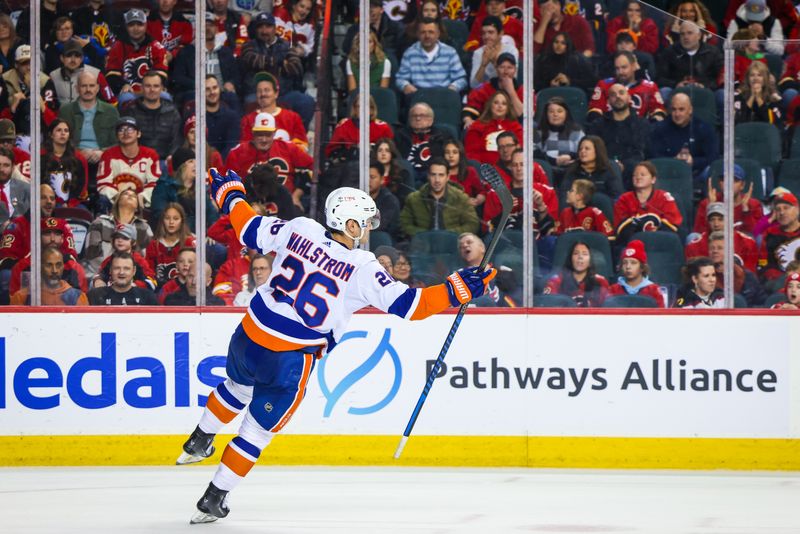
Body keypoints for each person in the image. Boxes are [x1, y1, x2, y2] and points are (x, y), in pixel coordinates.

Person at [177, 170, 496, 524]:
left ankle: (199, 439)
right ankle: (214, 496)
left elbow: (248, 228)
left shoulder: (300, 228)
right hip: (288, 358)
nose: (368, 228)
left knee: (236, 387)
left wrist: (230, 195)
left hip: (248, 336)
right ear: (350, 224)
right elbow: (411, 306)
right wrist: (455, 289)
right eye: (364, 222)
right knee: (255, 430)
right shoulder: (362, 266)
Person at [225, 112, 313, 212]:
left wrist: (296, 196)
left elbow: (313, 169)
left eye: (268, 135)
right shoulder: (237, 153)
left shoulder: (289, 148)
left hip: (285, 204)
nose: (264, 139)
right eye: (259, 135)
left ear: (274, 133)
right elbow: (228, 185)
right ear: (253, 133)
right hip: (250, 205)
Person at [586, 83, 650, 188]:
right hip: (605, 174)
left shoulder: (642, 124)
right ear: (608, 101)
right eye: (613, 95)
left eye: (621, 93)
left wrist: (625, 166)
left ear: (629, 97)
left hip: (634, 175)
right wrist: (613, 166)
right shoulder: (598, 125)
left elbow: (644, 153)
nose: (618, 97)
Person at [399, 157, 480, 238]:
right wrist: (424, 235)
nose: (437, 180)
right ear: (428, 176)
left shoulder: (460, 198)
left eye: (441, 175)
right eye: (433, 175)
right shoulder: (414, 199)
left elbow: (473, 224)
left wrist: (449, 235)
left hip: (452, 245)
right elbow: (404, 224)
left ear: (448, 177)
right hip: (423, 245)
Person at [171, 14, 240, 109]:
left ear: (216, 29)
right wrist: (198, 85)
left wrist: (231, 82)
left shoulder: (225, 51)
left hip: (221, 92)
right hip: (196, 93)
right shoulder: (187, 52)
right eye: (203, 26)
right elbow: (178, 77)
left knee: (232, 97)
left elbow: (236, 74)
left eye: (210, 25)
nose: (207, 29)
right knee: (190, 97)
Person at [483, 148, 558, 235]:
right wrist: (504, 213)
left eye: (523, 164)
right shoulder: (495, 194)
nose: (519, 168)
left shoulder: (547, 192)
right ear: (510, 167)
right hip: (506, 243)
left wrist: (541, 207)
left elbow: (553, 232)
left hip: (537, 243)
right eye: (515, 165)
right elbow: (487, 230)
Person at [82, 188, 153, 279]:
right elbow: (91, 255)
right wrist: (111, 272)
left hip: (134, 276)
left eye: (134, 196)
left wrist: (128, 274)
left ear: (137, 208)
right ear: (117, 201)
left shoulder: (144, 227)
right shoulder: (99, 223)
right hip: (98, 273)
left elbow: (147, 257)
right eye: (125, 194)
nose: (130, 195)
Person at [648, 92, 718, 180]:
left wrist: (693, 161)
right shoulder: (660, 129)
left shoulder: (703, 128)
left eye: (681, 109)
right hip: (667, 173)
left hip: (697, 173)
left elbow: (713, 157)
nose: (677, 114)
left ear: (690, 110)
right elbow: (654, 156)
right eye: (674, 109)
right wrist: (674, 161)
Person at [96, 116, 162, 209]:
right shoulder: (108, 155)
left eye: (130, 129)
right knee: (103, 199)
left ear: (138, 134)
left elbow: (155, 184)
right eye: (121, 130)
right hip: (115, 201)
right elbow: (103, 184)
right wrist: (120, 198)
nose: (126, 133)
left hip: (141, 202)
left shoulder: (150, 155)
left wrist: (141, 198)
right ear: (117, 136)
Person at [106, 9, 169, 106]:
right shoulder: (118, 46)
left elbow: (162, 73)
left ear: (145, 25)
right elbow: (111, 74)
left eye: (139, 24)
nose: (136, 28)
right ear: (126, 27)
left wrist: (151, 88)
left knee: (166, 97)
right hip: (129, 92)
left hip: (152, 89)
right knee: (126, 99)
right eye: (131, 25)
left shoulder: (156, 46)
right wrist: (122, 85)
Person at [58, 70, 120, 168]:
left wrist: (102, 152)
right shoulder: (65, 111)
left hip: (105, 159)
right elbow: (59, 140)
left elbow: (118, 141)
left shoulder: (110, 110)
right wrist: (78, 152)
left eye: (91, 86)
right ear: (77, 88)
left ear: (98, 88)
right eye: (84, 86)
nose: (88, 90)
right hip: (74, 159)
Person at [150, 147, 219, 232]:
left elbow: (212, 215)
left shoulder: (200, 189)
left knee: (217, 245)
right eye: (191, 161)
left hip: (200, 238)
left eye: (196, 161)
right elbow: (160, 215)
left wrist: (213, 234)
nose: (196, 164)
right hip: (175, 236)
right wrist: (185, 234)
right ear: (181, 166)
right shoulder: (164, 187)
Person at [614, 161, 683, 245]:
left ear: (653, 179)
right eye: (635, 175)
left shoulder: (664, 197)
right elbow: (620, 227)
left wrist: (658, 229)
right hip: (632, 242)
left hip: (660, 241)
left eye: (642, 175)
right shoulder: (624, 199)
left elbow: (674, 223)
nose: (638, 177)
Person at [395, 17, 467, 96]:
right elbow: (400, 79)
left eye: (431, 32)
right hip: (419, 97)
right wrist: (406, 86)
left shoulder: (450, 52)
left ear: (438, 34)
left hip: (443, 97)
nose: (427, 36)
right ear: (418, 34)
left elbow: (461, 79)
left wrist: (452, 88)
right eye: (423, 32)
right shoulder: (409, 53)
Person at [588, 51, 667, 122]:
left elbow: (658, 111)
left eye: (624, 67)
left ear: (633, 66)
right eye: (617, 68)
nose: (620, 72)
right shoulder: (604, 85)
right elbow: (595, 110)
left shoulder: (649, 87)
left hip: (640, 130)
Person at [121, 71, 182, 160]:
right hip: (137, 161)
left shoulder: (172, 111)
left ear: (162, 88)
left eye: (156, 86)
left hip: (165, 161)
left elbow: (177, 140)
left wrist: (171, 157)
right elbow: (125, 139)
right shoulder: (131, 110)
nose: (152, 89)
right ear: (141, 88)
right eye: (148, 86)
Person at [239, 72, 308, 150]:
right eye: (259, 91)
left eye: (267, 90)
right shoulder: (247, 120)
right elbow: (244, 149)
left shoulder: (293, 118)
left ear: (276, 93)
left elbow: (301, 146)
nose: (263, 94)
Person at [686, 202, 759, 273]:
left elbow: (750, 273)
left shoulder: (748, 243)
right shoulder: (694, 246)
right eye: (712, 220)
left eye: (720, 219)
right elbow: (692, 274)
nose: (716, 224)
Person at [693, 164, 763, 236]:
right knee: (693, 236)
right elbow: (699, 233)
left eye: (734, 181)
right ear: (719, 183)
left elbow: (756, 235)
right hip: (713, 245)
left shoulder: (753, 204)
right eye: (725, 180)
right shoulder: (707, 203)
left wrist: (746, 211)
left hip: (742, 245)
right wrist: (711, 207)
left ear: (742, 185)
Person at [656, 21, 723, 93]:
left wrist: (705, 85)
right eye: (682, 34)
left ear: (699, 35)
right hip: (678, 92)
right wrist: (676, 84)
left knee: (722, 94)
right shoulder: (670, 52)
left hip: (706, 92)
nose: (686, 37)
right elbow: (660, 78)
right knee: (664, 91)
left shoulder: (712, 52)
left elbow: (720, 77)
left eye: (689, 33)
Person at [9, 245, 88, 306]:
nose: (54, 271)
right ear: (40, 267)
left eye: (58, 265)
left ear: (63, 266)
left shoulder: (78, 297)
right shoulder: (22, 297)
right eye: (49, 265)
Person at [394, 103, 449, 184]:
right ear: (409, 119)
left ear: (431, 120)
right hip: (408, 173)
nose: (418, 118)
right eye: (414, 116)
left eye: (422, 115)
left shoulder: (441, 136)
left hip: (431, 172)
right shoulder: (400, 135)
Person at [533, 97, 585, 184]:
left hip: (572, 172)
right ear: (546, 114)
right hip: (547, 173)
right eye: (551, 111)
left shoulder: (577, 131)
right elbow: (534, 154)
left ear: (566, 113)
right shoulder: (537, 133)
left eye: (559, 111)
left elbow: (585, 150)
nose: (555, 114)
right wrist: (554, 161)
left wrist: (571, 156)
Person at [707, 231, 766, 307]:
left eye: (720, 248)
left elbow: (762, 304)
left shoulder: (747, 276)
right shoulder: (702, 277)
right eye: (712, 248)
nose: (715, 251)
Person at [464, 90, 523, 165]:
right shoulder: (477, 126)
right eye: (496, 103)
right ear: (490, 105)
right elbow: (471, 154)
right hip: (485, 170)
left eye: (504, 104)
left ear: (508, 108)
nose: (500, 106)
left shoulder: (515, 126)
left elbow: (521, 149)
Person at [91, 223, 156, 291]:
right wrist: (98, 280)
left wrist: (134, 285)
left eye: (125, 238)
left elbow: (152, 282)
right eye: (117, 237)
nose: (120, 240)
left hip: (134, 296)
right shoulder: (109, 260)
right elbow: (100, 274)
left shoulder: (139, 261)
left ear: (133, 242)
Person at [47, 39, 114, 105]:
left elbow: (112, 101)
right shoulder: (53, 76)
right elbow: (48, 105)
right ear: (62, 58)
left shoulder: (96, 74)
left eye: (77, 55)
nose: (73, 60)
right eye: (69, 55)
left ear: (82, 58)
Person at [325, 95, 394, 160]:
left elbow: (391, 152)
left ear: (372, 110)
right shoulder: (344, 125)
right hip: (348, 165)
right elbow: (332, 151)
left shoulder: (383, 127)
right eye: (359, 106)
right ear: (354, 109)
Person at [543, 240, 609, 307]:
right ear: (570, 259)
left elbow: (608, 309)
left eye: (585, 254)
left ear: (590, 261)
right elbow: (547, 305)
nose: (580, 257)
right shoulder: (556, 281)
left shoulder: (600, 282)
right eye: (576, 253)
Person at [146, 202, 196, 288]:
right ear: (162, 221)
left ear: (182, 221)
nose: (171, 222)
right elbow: (148, 271)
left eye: (176, 219)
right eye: (167, 218)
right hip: (160, 289)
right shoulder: (154, 245)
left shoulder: (190, 242)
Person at [560, 135, 624, 202]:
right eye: (580, 149)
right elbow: (564, 195)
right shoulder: (573, 169)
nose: (582, 151)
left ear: (597, 151)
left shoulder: (611, 167)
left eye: (587, 148)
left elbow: (617, 196)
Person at [41, 119, 89, 208]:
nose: (63, 133)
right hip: (46, 201)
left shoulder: (79, 159)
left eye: (66, 131)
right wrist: (57, 201)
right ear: (51, 134)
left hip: (73, 203)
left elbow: (82, 186)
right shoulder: (40, 157)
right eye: (59, 130)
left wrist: (70, 203)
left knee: (84, 212)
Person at [758, 190, 800, 284]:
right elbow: (763, 263)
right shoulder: (769, 234)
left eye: (786, 208)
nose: (782, 212)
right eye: (778, 209)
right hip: (778, 283)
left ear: (797, 209)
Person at [607, 239, 665, 306]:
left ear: (642, 267)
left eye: (633, 263)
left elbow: (661, 314)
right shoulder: (613, 290)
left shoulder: (654, 290)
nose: (628, 267)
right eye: (624, 263)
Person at [87, 251, 159, 305]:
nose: (121, 272)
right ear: (110, 270)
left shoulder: (148, 297)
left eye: (126, 268)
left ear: (134, 271)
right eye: (117, 268)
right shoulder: (94, 296)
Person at [470, 16, 518, 89]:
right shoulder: (478, 53)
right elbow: (474, 85)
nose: (486, 37)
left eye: (490, 32)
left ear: (501, 33)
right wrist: (483, 65)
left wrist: (495, 61)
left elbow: (512, 81)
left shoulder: (511, 50)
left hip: (505, 92)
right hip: (485, 92)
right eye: (483, 33)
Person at [734, 61, 783, 127]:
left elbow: (772, 124)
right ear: (748, 79)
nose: (755, 78)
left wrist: (758, 98)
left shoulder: (774, 98)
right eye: (752, 75)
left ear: (765, 78)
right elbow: (739, 123)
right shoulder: (739, 96)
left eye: (759, 75)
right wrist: (752, 97)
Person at [205, 75, 241, 159]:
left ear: (220, 89)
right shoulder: (196, 117)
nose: (212, 92)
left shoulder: (232, 117)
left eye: (215, 88)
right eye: (207, 89)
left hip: (224, 165)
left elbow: (231, 147)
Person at [443, 138, 485, 207]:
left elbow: (482, 191)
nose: (451, 156)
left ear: (460, 155)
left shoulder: (469, 172)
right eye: (447, 152)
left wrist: (477, 200)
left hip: (467, 213)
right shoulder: (438, 173)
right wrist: (464, 202)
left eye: (455, 152)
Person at [373, 138, 414, 204]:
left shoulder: (402, 174)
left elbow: (406, 198)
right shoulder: (370, 174)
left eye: (387, 150)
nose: (383, 154)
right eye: (380, 150)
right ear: (375, 154)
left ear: (392, 154)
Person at [368, 159, 401, 239]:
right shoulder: (357, 197)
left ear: (382, 179)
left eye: (372, 177)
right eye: (365, 177)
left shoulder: (390, 201)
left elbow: (378, 226)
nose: (368, 180)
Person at [0, 146, 30, 228]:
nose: (1, 169)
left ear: (13, 168)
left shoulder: (25, 189)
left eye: (6, 165)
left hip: (19, 235)